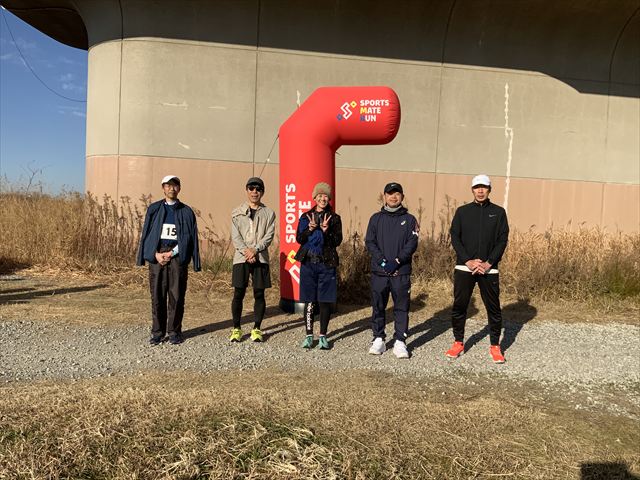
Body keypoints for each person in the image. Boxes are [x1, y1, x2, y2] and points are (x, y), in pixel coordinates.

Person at [446, 174, 509, 363]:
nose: (480, 191)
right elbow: (455, 237)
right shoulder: (462, 212)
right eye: (477, 187)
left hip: (489, 269)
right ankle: (458, 342)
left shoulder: (498, 212)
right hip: (465, 267)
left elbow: (502, 240)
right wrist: (468, 261)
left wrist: (489, 263)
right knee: (459, 306)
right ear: (472, 190)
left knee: (493, 308)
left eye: (484, 187)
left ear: (489, 190)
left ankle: (495, 346)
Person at [136, 175, 201, 345]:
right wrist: (155, 254)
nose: (172, 188)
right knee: (157, 296)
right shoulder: (154, 209)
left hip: (177, 257)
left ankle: (174, 332)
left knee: (176, 296)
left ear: (179, 188)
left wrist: (173, 253)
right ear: (163, 188)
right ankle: (157, 332)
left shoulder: (186, 211)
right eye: (168, 185)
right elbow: (147, 234)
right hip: (157, 256)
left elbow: (189, 238)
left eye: (175, 185)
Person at [365, 182, 419, 359]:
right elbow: (370, 242)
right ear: (384, 196)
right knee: (378, 306)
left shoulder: (410, 220)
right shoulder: (375, 219)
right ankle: (378, 338)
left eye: (397, 194)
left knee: (401, 307)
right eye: (390, 194)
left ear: (402, 197)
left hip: (400, 272)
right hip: (379, 272)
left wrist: (396, 262)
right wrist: (383, 263)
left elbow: (412, 244)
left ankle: (400, 341)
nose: (393, 197)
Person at [295, 182, 342, 350]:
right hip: (308, 262)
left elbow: (337, 241)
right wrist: (309, 229)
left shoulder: (335, 218)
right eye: (320, 195)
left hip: (326, 264)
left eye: (326, 196)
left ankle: (323, 335)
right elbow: (299, 239)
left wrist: (326, 231)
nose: (323, 198)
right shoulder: (306, 217)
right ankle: (309, 335)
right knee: (309, 301)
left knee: (324, 301)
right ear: (314, 198)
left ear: (329, 198)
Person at [229, 177, 276, 342]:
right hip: (241, 258)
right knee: (238, 293)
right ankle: (236, 328)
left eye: (258, 189)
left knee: (259, 293)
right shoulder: (237, 212)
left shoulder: (269, 213)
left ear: (262, 192)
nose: (254, 192)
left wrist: (255, 250)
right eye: (251, 188)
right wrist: (246, 252)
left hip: (260, 257)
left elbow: (269, 235)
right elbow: (235, 236)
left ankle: (257, 328)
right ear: (247, 190)